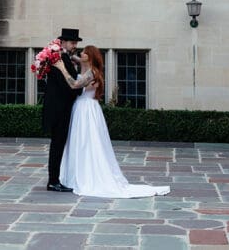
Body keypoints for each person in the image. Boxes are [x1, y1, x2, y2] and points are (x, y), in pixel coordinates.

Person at [56, 45, 171, 198]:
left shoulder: (92, 73)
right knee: (78, 142)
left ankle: (88, 175)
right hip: (80, 108)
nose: (80, 53)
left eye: (84, 52)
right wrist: (62, 53)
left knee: (88, 142)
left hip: (87, 110)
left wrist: (62, 68)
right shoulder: (85, 67)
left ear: (89, 56)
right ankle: (76, 173)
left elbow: (75, 84)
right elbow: (73, 58)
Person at [41, 27, 82, 192]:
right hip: (59, 109)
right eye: (72, 42)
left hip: (59, 107)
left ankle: (55, 179)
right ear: (63, 42)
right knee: (57, 145)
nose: (75, 46)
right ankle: (53, 181)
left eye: (76, 43)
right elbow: (72, 87)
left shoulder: (62, 57)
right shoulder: (61, 58)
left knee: (58, 144)